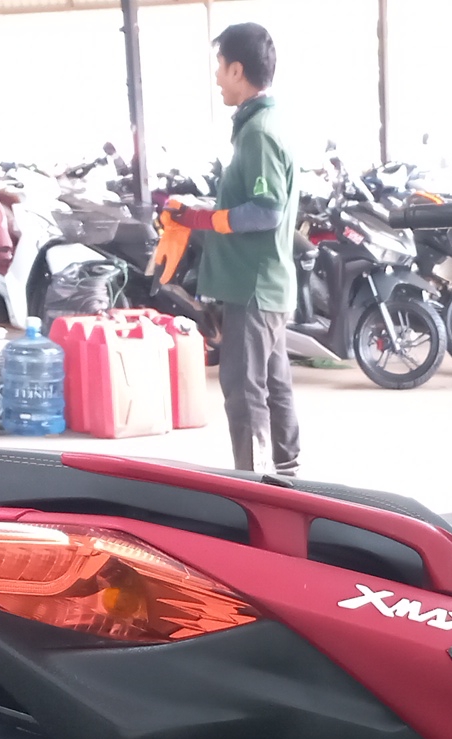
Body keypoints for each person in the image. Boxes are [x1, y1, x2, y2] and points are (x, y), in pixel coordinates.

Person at [164, 23, 298, 477]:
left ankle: (254, 484)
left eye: (220, 67)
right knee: (273, 386)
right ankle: (288, 477)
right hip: (265, 284)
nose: (217, 77)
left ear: (238, 70)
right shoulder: (263, 124)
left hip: (252, 285)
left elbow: (266, 211)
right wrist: (200, 212)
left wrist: (203, 220)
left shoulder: (258, 132)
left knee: (244, 392)